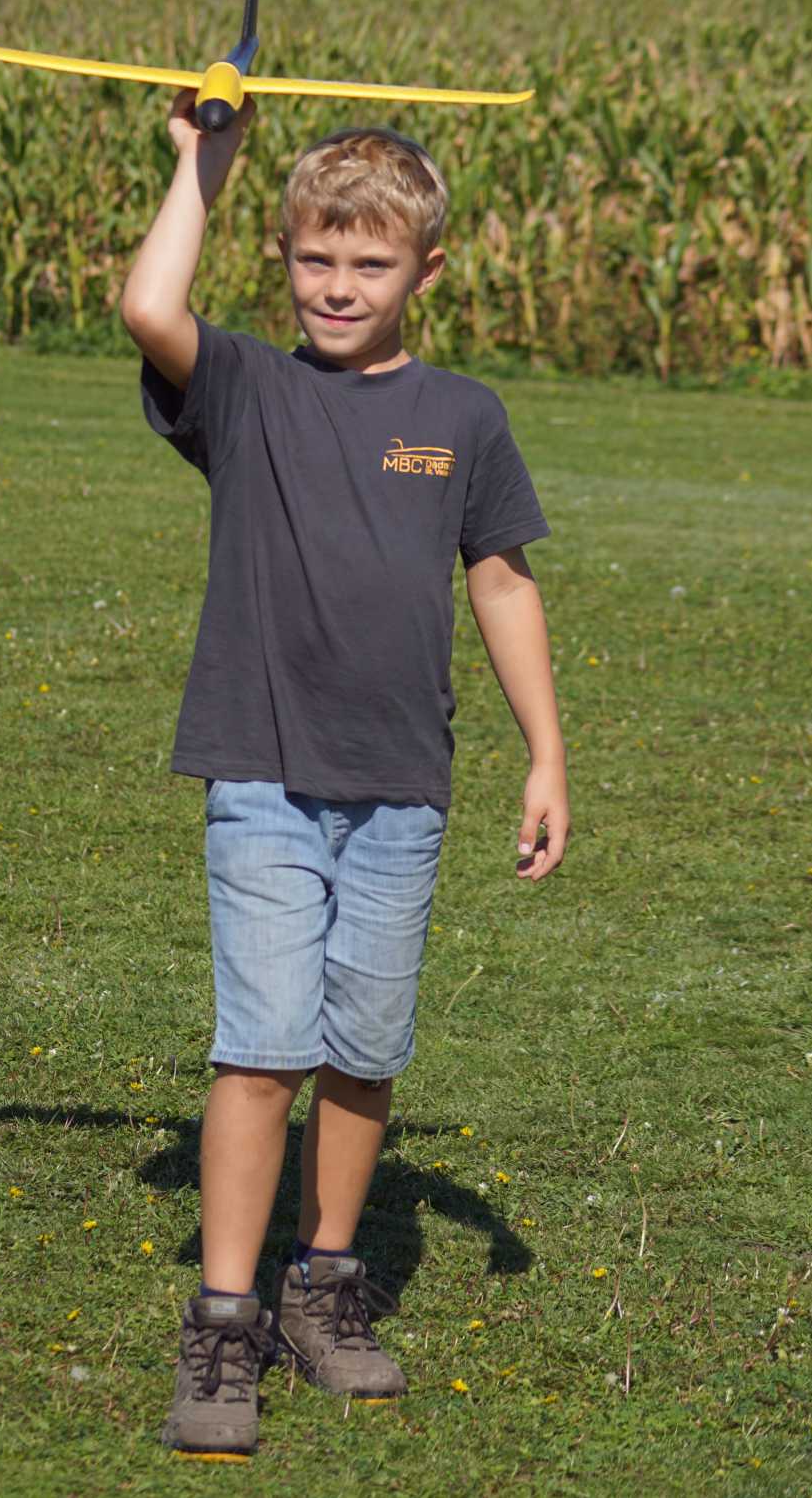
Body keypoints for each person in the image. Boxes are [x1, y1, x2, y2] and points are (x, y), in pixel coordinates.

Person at [120, 90, 569, 1461]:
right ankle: (226, 1313)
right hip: (261, 771)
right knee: (263, 1048)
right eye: (316, 258)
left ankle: (324, 1289)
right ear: (284, 259)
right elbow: (149, 307)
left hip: (403, 791)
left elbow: (500, 577)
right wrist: (208, 163)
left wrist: (547, 752)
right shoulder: (247, 390)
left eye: (370, 264)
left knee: (363, 1054)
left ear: (427, 271)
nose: (337, 286)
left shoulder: (464, 416)